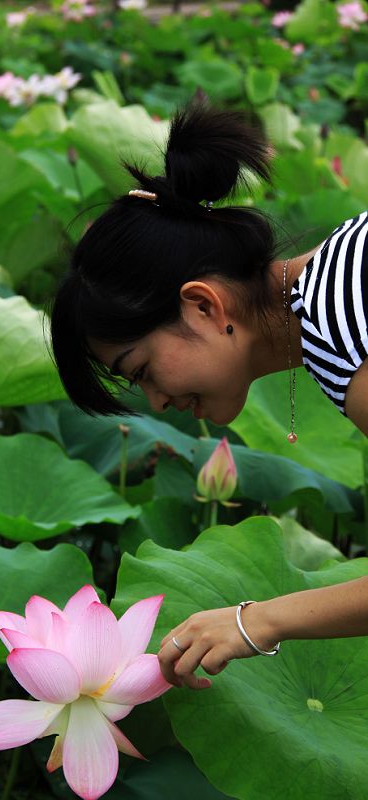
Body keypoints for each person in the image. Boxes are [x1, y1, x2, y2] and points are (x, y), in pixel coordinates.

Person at [50, 100, 368, 690]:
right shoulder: (341, 276)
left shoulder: (341, 327)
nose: (157, 404)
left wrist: (258, 621)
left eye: (141, 368)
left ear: (203, 305)